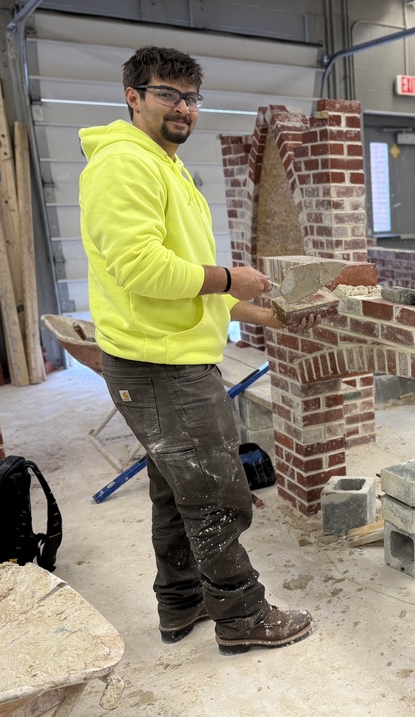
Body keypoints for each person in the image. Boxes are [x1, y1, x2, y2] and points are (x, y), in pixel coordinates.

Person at [80, 46, 314, 655]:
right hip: (161, 365)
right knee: (216, 491)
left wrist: (258, 312)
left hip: (169, 352)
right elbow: (143, 269)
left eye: (190, 98)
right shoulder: (125, 166)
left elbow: (182, 282)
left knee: (175, 489)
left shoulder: (166, 165)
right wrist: (233, 280)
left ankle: (181, 602)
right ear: (133, 96)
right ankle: (241, 616)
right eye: (167, 94)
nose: (182, 108)